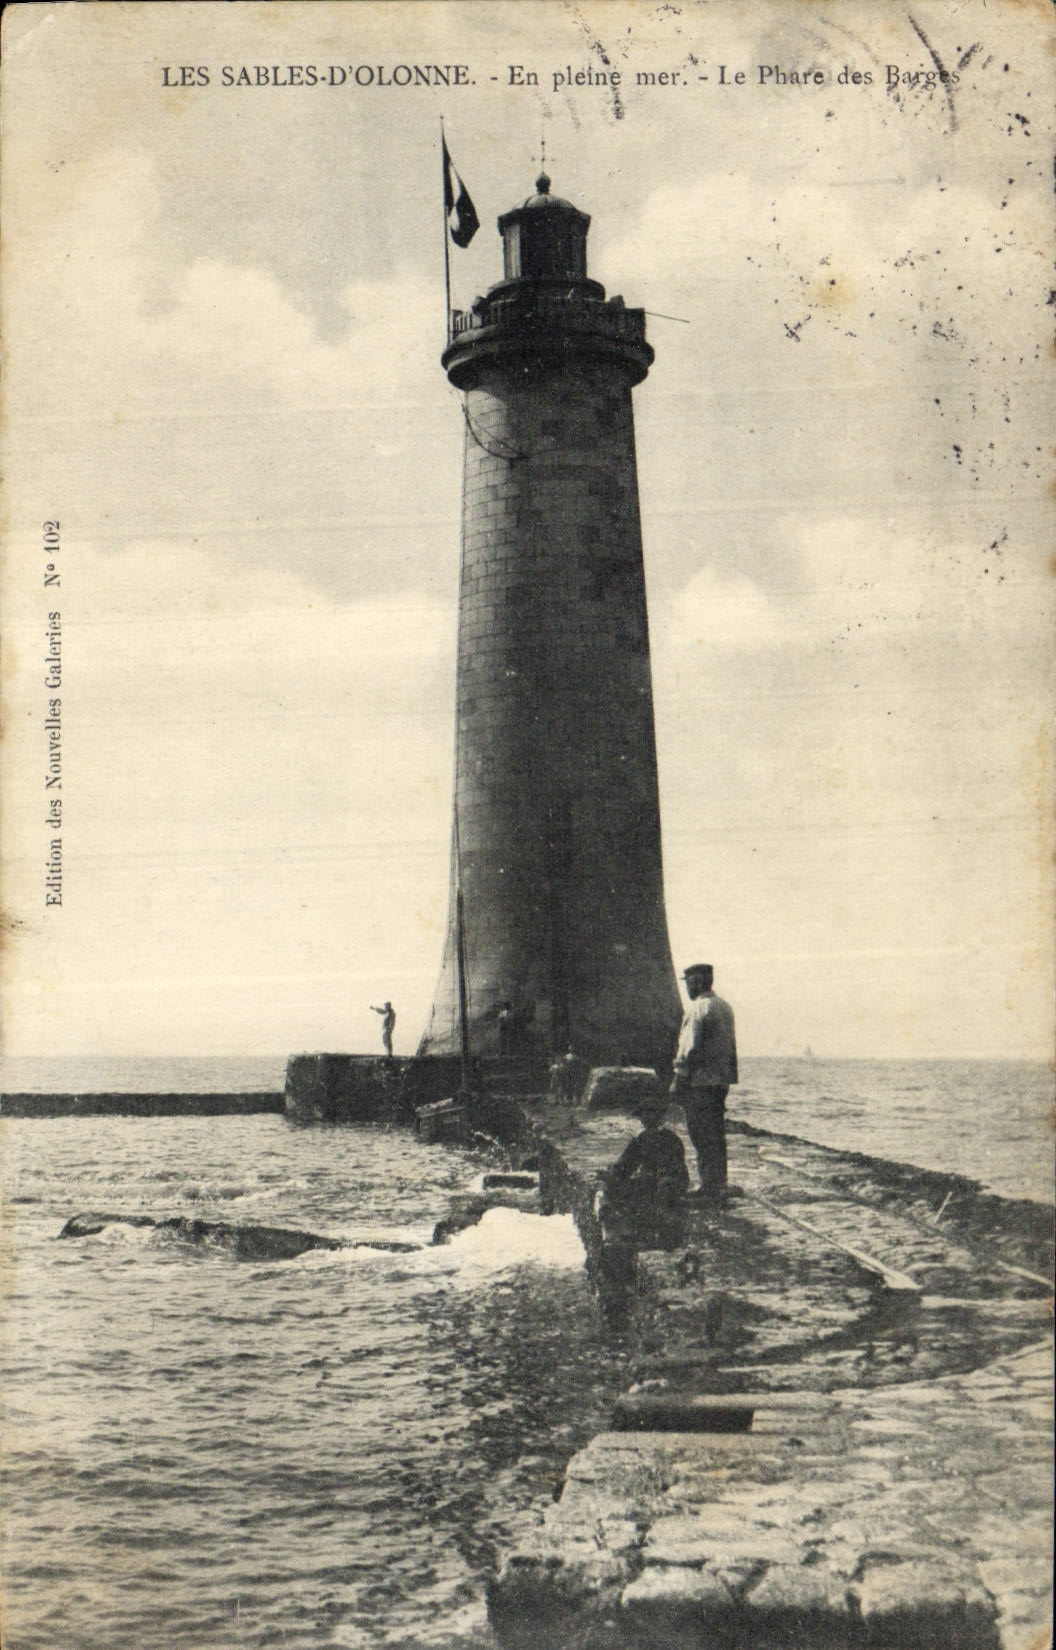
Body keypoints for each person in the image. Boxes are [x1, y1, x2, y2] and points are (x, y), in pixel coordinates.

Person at [669, 963, 738, 1200]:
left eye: (688, 982)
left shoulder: (698, 1009)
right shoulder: (724, 1007)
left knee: (700, 1133)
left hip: (699, 1083)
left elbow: (689, 1049)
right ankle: (720, 1182)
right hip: (720, 1082)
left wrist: (679, 1079)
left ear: (698, 982)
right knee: (716, 1133)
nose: (687, 987)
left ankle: (707, 1185)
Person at [599, 1094, 689, 1250]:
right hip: (673, 1185)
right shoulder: (673, 1138)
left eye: (649, 1113)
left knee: (614, 1190)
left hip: (655, 1185)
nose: (646, 1117)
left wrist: (610, 1174)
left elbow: (625, 1168)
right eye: (645, 1113)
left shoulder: (643, 1139)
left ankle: (627, 1232)